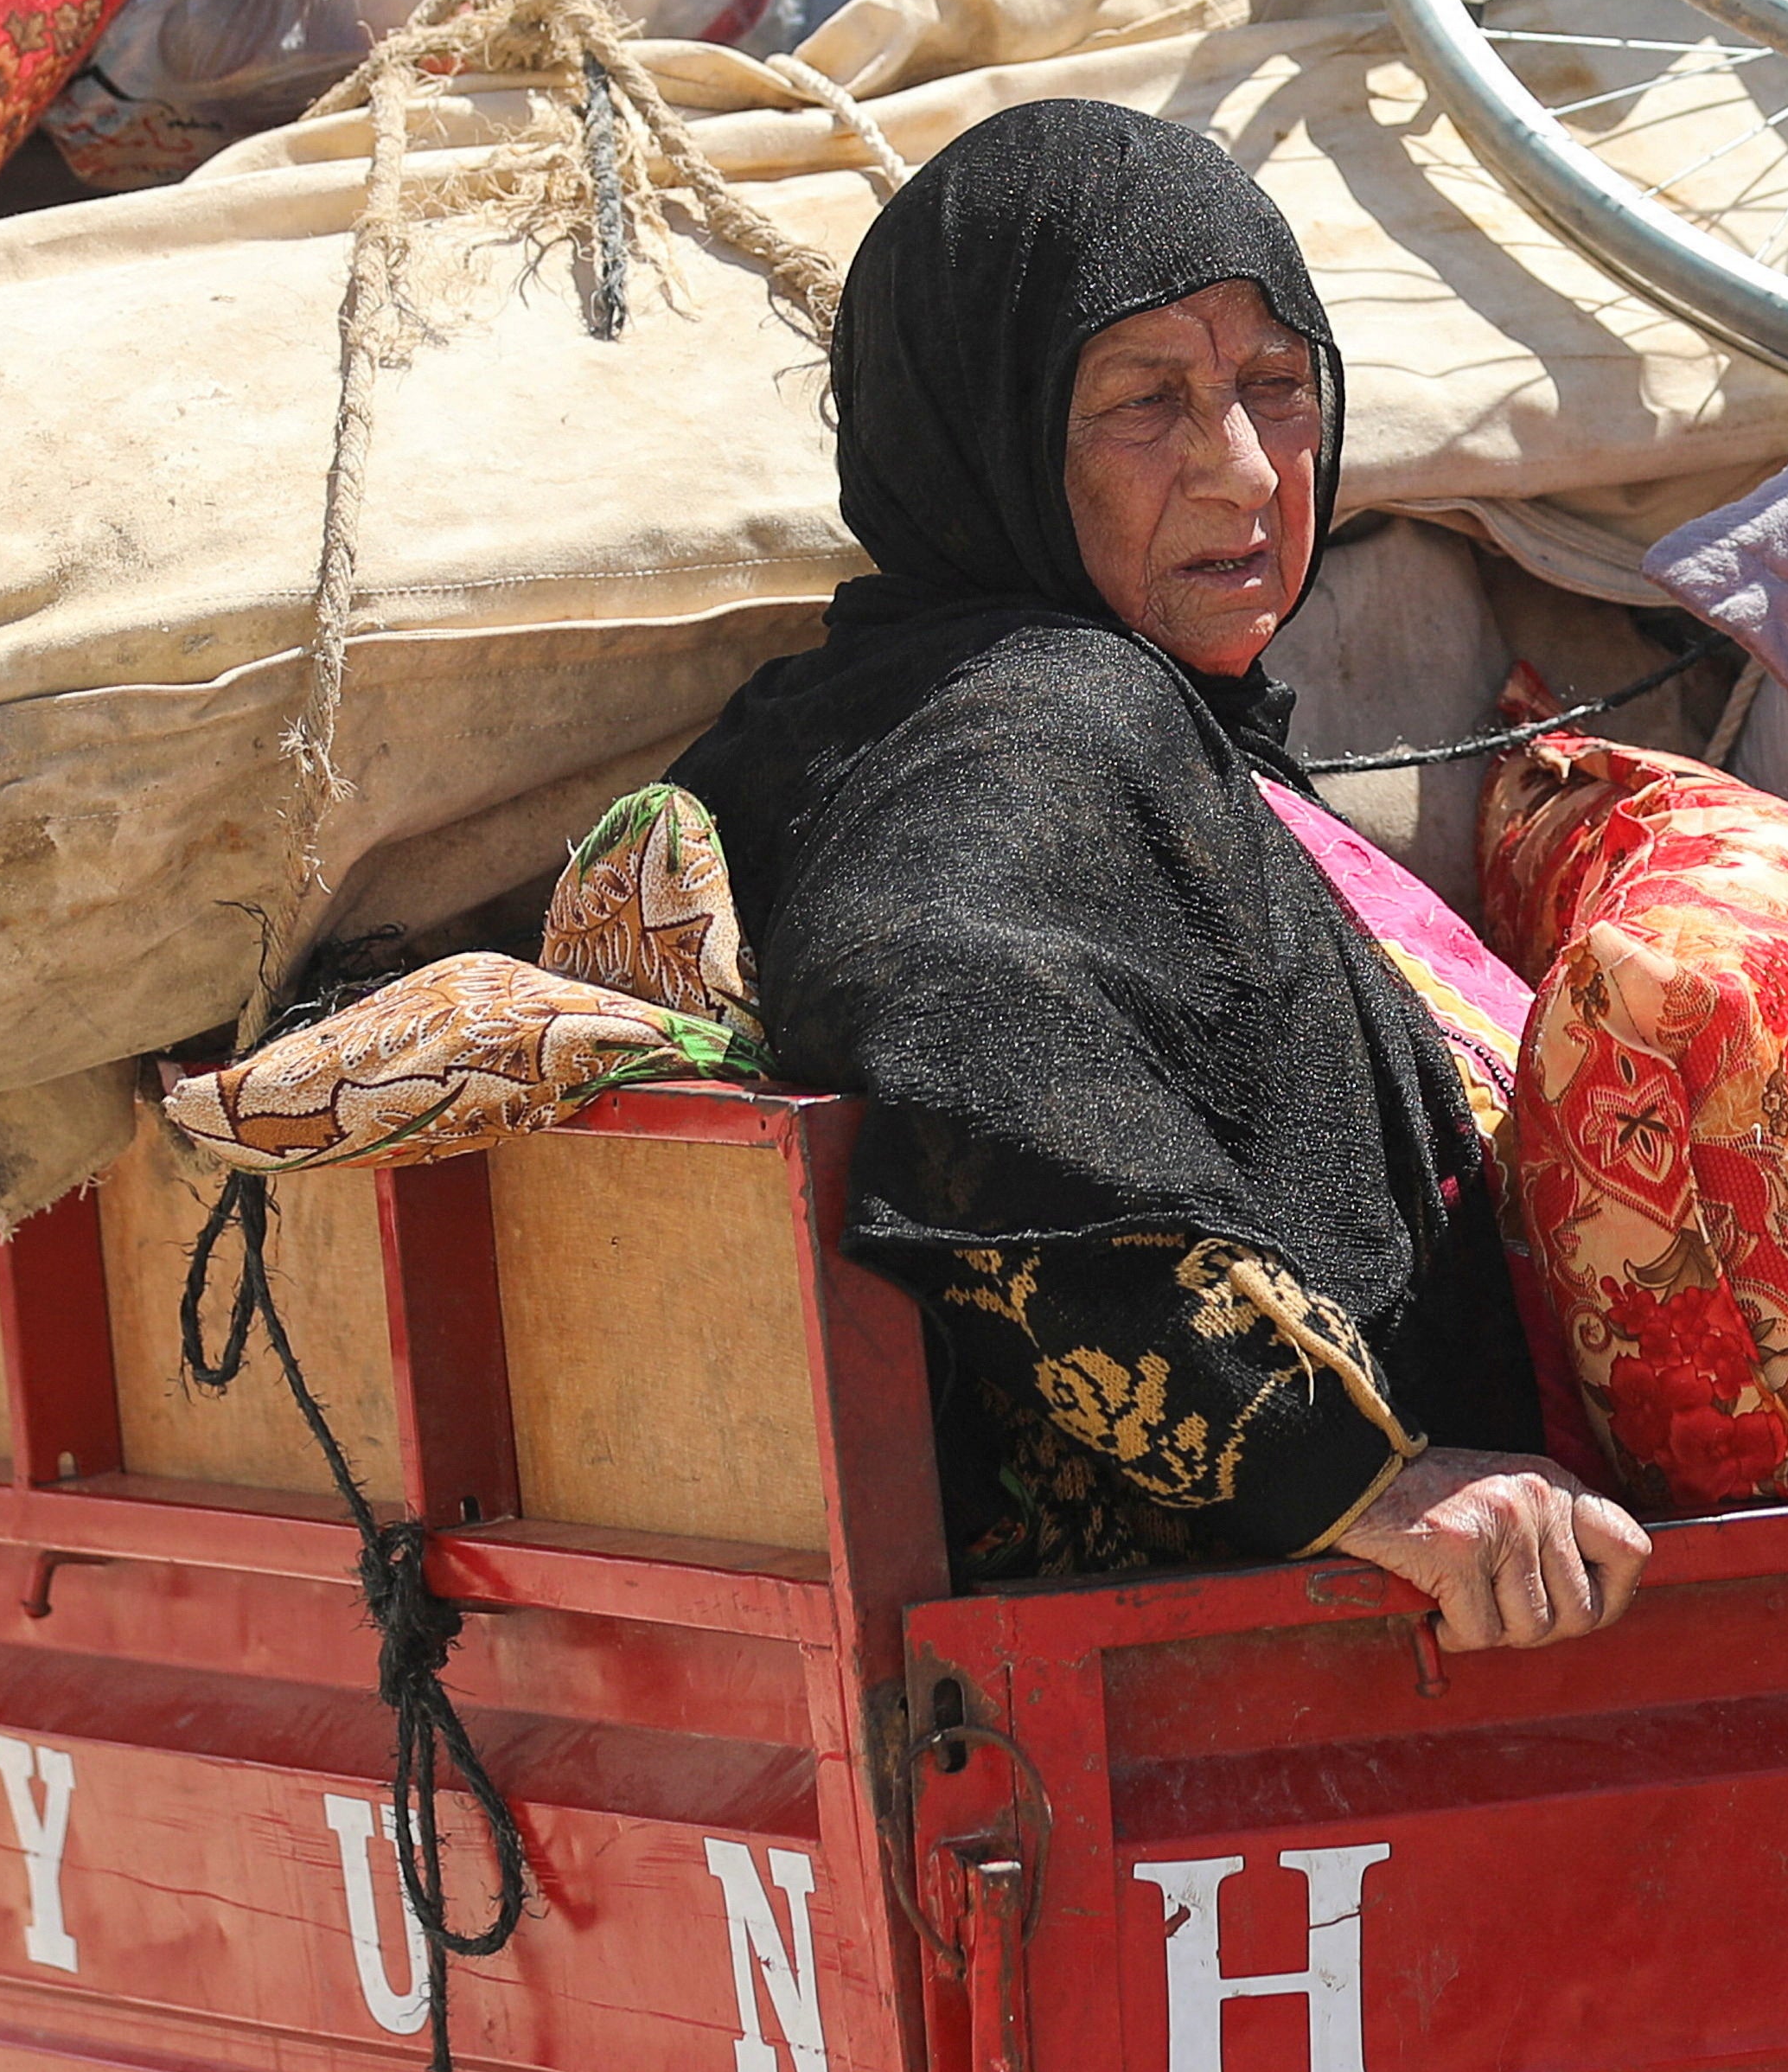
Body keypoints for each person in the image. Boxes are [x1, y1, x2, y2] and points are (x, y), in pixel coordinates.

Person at [667, 95, 1649, 1648]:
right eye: (1146, 401)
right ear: (988, 426)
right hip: (1198, 1682)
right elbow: (939, 1011)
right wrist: (1351, 1480)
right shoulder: (1049, 712)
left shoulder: (895, 714)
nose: (1247, 473)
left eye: (1276, 384)